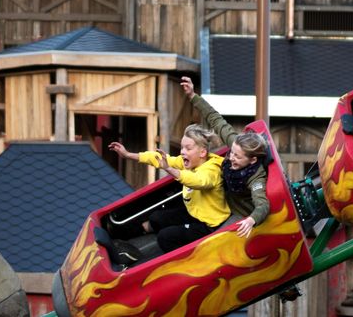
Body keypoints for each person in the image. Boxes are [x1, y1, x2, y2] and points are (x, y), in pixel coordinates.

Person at [108, 124, 230, 253]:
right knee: (156, 217)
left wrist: (169, 169)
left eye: (188, 148)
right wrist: (128, 155)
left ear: (202, 152)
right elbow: (160, 159)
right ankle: (127, 235)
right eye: (182, 147)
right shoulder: (189, 161)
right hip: (196, 213)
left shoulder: (211, 170)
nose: (182, 151)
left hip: (209, 225)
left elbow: (198, 181)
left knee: (166, 237)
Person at [181, 76, 270, 238]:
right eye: (232, 153)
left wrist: (251, 220)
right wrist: (193, 96)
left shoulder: (256, 178)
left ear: (252, 160)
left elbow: (262, 205)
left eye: (238, 157)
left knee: (218, 238)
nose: (232, 158)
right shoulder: (236, 143)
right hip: (220, 194)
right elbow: (216, 119)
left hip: (235, 212)